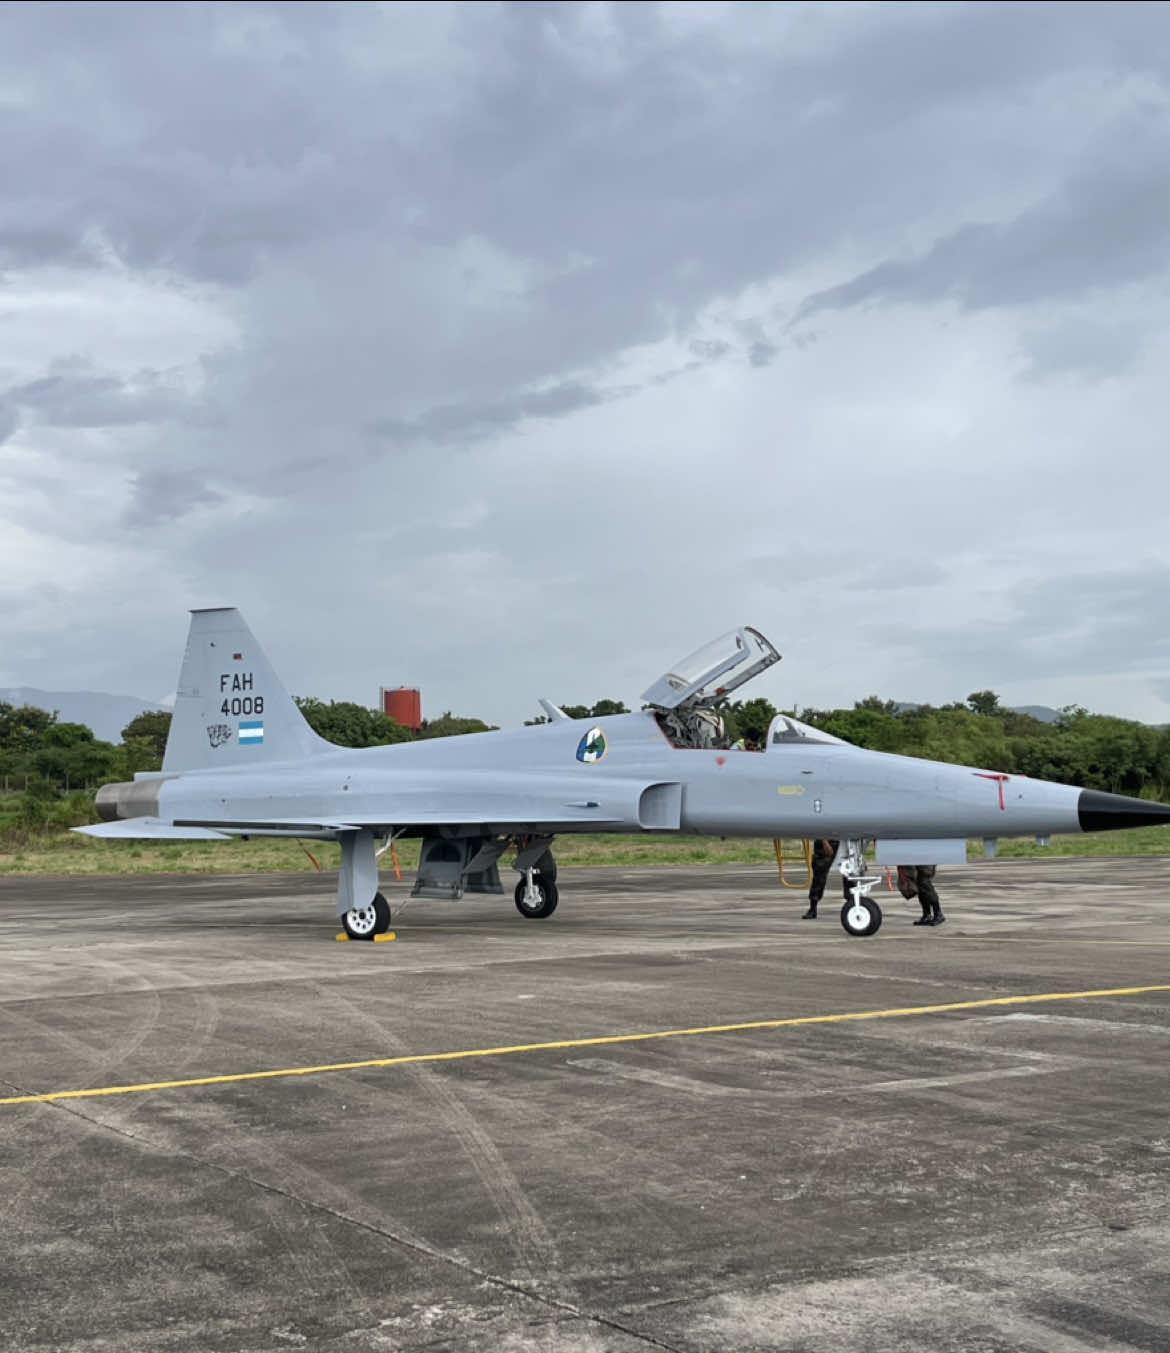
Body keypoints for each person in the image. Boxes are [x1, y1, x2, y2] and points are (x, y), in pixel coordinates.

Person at [803, 837, 850, 919]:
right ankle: (813, 909)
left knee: (850, 872)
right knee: (819, 874)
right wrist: (823, 840)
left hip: (847, 839)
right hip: (828, 838)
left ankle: (851, 903)